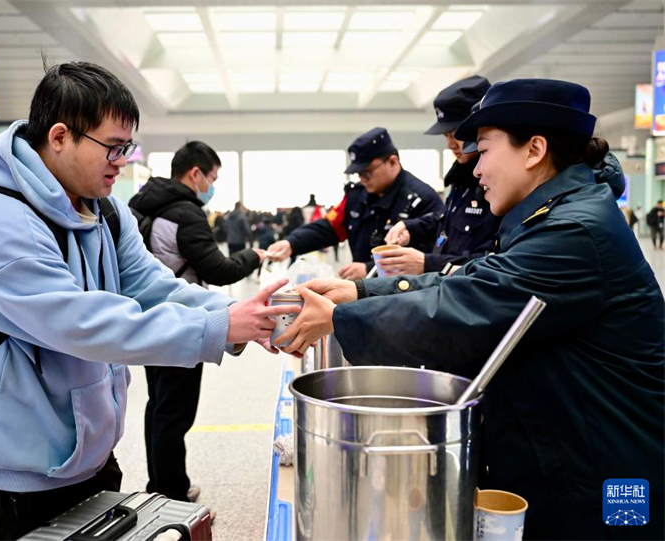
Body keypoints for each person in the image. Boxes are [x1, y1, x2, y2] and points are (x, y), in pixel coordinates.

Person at [277, 79, 664, 539]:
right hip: (567, 452)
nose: (476, 169)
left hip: (603, 477)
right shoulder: (548, 216)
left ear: (534, 150)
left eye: (484, 150)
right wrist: (359, 293)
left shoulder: (575, 231)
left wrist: (340, 319)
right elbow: (473, 276)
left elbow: (464, 309)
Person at [0, 61, 297, 540]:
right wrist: (215, 328)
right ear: (60, 136)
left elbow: (151, 285)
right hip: (12, 479)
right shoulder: (0, 222)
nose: (122, 161)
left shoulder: (103, 210)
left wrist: (236, 316)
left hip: (87, 460)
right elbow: (82, 324)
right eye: (113, 147)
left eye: (127, 147)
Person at [129, 141, 265, 506]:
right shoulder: (185, 213)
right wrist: (253, 256)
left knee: (159, 405)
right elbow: (218, 270)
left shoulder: (146, 206)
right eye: (213, 178)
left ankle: (162, 485)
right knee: (175, 412)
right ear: (195, 174)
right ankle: (171, 494)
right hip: (183, 322)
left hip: (150, 318)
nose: (212, 186)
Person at [268, 128, 444, 280]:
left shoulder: (423, 200)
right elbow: (329, 228)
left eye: (367, 172)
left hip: (406, 295)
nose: (363, 179)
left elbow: (426, 257)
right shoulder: (357, 196)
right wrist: (292, 243)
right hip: (363, 293)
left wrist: (369, 269)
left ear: (392, 162)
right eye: (359, 174)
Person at [381, 76, 501, 275]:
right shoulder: (461, 178)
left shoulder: (499, 183)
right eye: (446, 136)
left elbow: (494, 260)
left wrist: (429, 264)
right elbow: (449, 222)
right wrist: (410, 227)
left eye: (456, 134)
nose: (450, 145)